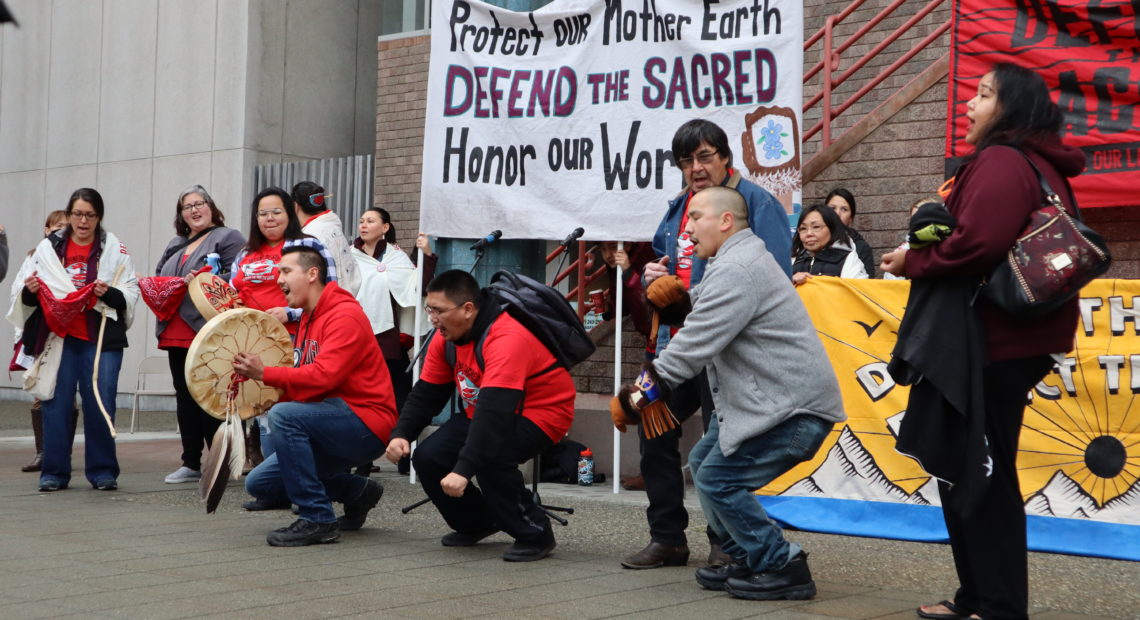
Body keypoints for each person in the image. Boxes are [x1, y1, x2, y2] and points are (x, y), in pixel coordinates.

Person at [881, 63, 1083, 620]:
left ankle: (997, 605)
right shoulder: (1033, 164)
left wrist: (911, 259)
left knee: (984, 477)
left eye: (984, 94)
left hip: (993, 342)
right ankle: (977, 598)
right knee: (966, 472)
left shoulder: (1002, 160)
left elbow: (976, 246)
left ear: (1012, 108)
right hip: (1002, 341)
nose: (969, 104)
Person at [614, 186, 845, 600]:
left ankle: (782, 563)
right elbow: (699, 310)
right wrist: (675, 304)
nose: (686, 230)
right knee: (704, 463)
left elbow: (694, 342)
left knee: (720, 478)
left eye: (696, 218)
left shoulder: (739, 268)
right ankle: (746, 554)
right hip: (773, 406)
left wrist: (640, 394)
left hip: (793, 412)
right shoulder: (734, 261)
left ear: (725, 221)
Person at [632, 119, 791, 571]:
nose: (695, 168)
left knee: (722, 441)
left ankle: (726, 542)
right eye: (686, 161)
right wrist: (654, 277)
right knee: (652, 419)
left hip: (727, 346)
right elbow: (668, 264)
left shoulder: (757, 203)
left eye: (704, 157)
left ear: (725, 157)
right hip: (672, 340)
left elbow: (775, 278)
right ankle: (667, 538)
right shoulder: (678, 206)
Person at [384, 269, 576, 562]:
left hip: (542, 412)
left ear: (468, 309)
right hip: (486, 410)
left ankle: (534, 532)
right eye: (429, 309)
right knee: (429, 457)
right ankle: (479, 522)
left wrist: (464, 468)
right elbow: (428, 392)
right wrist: (402, 433)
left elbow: (494, 414)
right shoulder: (445, 337)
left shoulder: (507, 336)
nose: (432, 318)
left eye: (438, 311)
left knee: (490, 456)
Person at [234, 246, 396, 546]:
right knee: (261, 483)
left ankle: (317, 518)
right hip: (331, 419)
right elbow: (305, 384)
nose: (277, 278)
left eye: (285, 271)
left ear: (312, 274)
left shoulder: (344, 315)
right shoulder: (308, 319)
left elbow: (324, 376)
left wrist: (265, 374)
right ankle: (357, 491)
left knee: (285, 416)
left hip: (365, 423)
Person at [6, 188, 140, 492]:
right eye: (77, 214)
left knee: (101, 403)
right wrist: (30, 289)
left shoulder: (114, 248)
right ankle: (53, 472)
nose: (83, 220)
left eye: (90, 215)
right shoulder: (48, 248)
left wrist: (111, 293)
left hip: (100, 337)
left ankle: (103, 471)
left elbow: (130, 292)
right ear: (69, 215)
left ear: (99, 217)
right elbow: (25, 294)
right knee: (55, 402)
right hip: (59, 336)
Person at [231, 187, 337, 499]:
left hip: (295, 340)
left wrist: (289, 311)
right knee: (264, 407)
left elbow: (329, 288)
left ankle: (302, 488)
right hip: (255, 342)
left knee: (291, 406)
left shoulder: (307, 245)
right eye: (262, 213)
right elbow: (232, 289)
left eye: (276, 211)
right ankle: (278, 488)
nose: (269, 218)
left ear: (289, 213)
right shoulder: (244, 252)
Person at [155, 185, 246, 485]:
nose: (194, 210)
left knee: (211, 395)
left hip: (206, 328)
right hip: (174, 328)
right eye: (186, 206)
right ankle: (190, 461)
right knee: (184, 397)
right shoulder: (175, 243)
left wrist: (204, 280)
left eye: (199, 203)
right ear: (180, 214)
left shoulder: (227, 237)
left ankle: (221, 460)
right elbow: (160, 277)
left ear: (211, 206)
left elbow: (238, 276)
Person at [353, 207, 437, 412]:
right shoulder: (350, 256)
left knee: (399, 391)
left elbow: (419, 288)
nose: (364, 225)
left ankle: (401, 434)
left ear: (385, 227)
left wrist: (426, 254)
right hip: (356, 332)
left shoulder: (395, 257)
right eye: (362, 221)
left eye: (370, 221)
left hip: (388, 336)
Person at [10, 210, 68, 472]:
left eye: (66, 227)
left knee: (67, 394)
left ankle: (62, 451)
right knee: (40, 387)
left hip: (67, 333)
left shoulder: (75, 257)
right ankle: (43, 451)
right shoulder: (35, 257)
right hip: (42, 331)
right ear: (46, 229)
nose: (61, 231)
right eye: (57, 226)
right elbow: (18, 291)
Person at [292, 181, 360, 296]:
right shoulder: (332, 227)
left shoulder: (310, 235)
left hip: (326, 302)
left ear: (295, 206)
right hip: (346, 299)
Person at [791, 205, 869, 286]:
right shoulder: (792, 260)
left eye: (816, 227)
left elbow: (859, 293)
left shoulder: (849, 260)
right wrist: (791, 282)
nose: (809, 233)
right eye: (803, 228)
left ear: (832, 229)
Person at [825, 188, 875, 276]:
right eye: (833, 208)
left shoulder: (861, 248)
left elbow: (867, 285)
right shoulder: (811, 242)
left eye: (844, 209)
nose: (837, 213)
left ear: (851, 218)